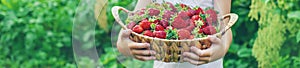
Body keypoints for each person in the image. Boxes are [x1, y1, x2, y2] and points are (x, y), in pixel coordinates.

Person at [116, 0, 232, 68]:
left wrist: (221, 50)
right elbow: (135, 20)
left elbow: (224, 26)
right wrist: (124, 45)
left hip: (205, 64)